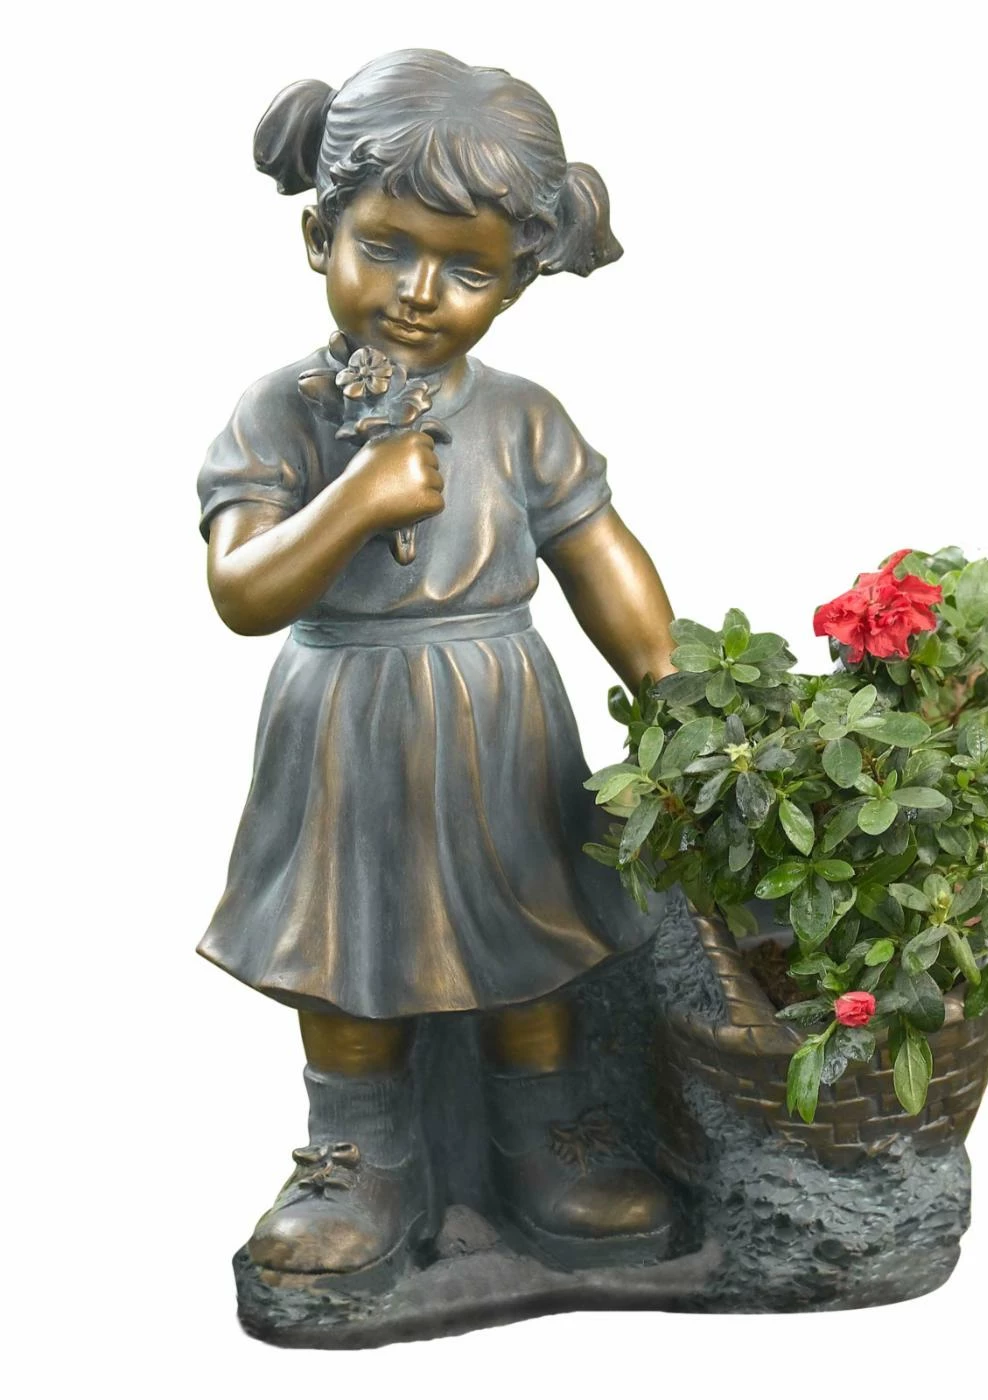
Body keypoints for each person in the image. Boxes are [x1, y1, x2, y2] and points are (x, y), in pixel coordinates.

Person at [198, 49, 677, 1283]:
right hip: (344, 722)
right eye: (385, 247)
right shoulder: (282, 412)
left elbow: (600, 556)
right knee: (343, 942)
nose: (418, 293)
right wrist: (355, 498)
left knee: (532, 923)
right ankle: (355, 1152)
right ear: (319, 235)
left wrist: (672, 686)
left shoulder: (519, 417)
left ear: (517, 279)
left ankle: (547, 1136)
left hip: (500, 716)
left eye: (466, 269)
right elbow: (243, 589)